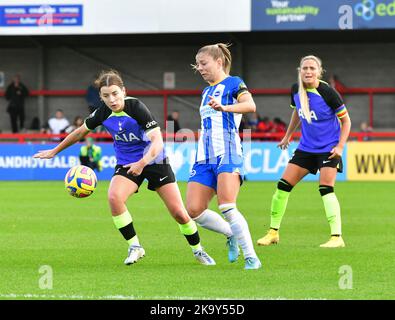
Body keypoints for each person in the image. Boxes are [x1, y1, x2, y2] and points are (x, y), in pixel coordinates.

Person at [34, 70, 215, 266]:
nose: (111, 99)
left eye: (114, 94)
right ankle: (135, 246)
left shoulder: (136, 107)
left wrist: (142, 163)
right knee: (114, 197)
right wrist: (55, 151)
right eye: (105, 96)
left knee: (179, 213)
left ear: (123, 91)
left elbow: (157, 142)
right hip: (126, 162)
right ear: (101, 97)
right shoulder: (102, 111)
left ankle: (198, 250)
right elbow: (79, 132)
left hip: (154, 161)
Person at [257, 55, 351, 248]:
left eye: (312, 68)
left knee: (325, 188)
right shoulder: (295, 90)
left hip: (328, 149)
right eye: (304, 68)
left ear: (319, 71)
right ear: (299, 70)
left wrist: (340, 146)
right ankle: (273, 232)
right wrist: (288, 135)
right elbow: (297, 111)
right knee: (282, 186)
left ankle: (336, 237)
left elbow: (346, 121)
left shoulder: (328, 92)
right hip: (306, 148)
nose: (308, 71)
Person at [186, 43, 262, 270]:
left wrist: (225, 108)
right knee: (193, 210)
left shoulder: (234, 83)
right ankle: (231, 234)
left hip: (228, 152)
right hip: (204, 156)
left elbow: (250, 105)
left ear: (219, 62)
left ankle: (251, 257)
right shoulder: (205, 91)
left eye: (203, 63)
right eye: (197, 64)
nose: (199, 68)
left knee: (227, 205)